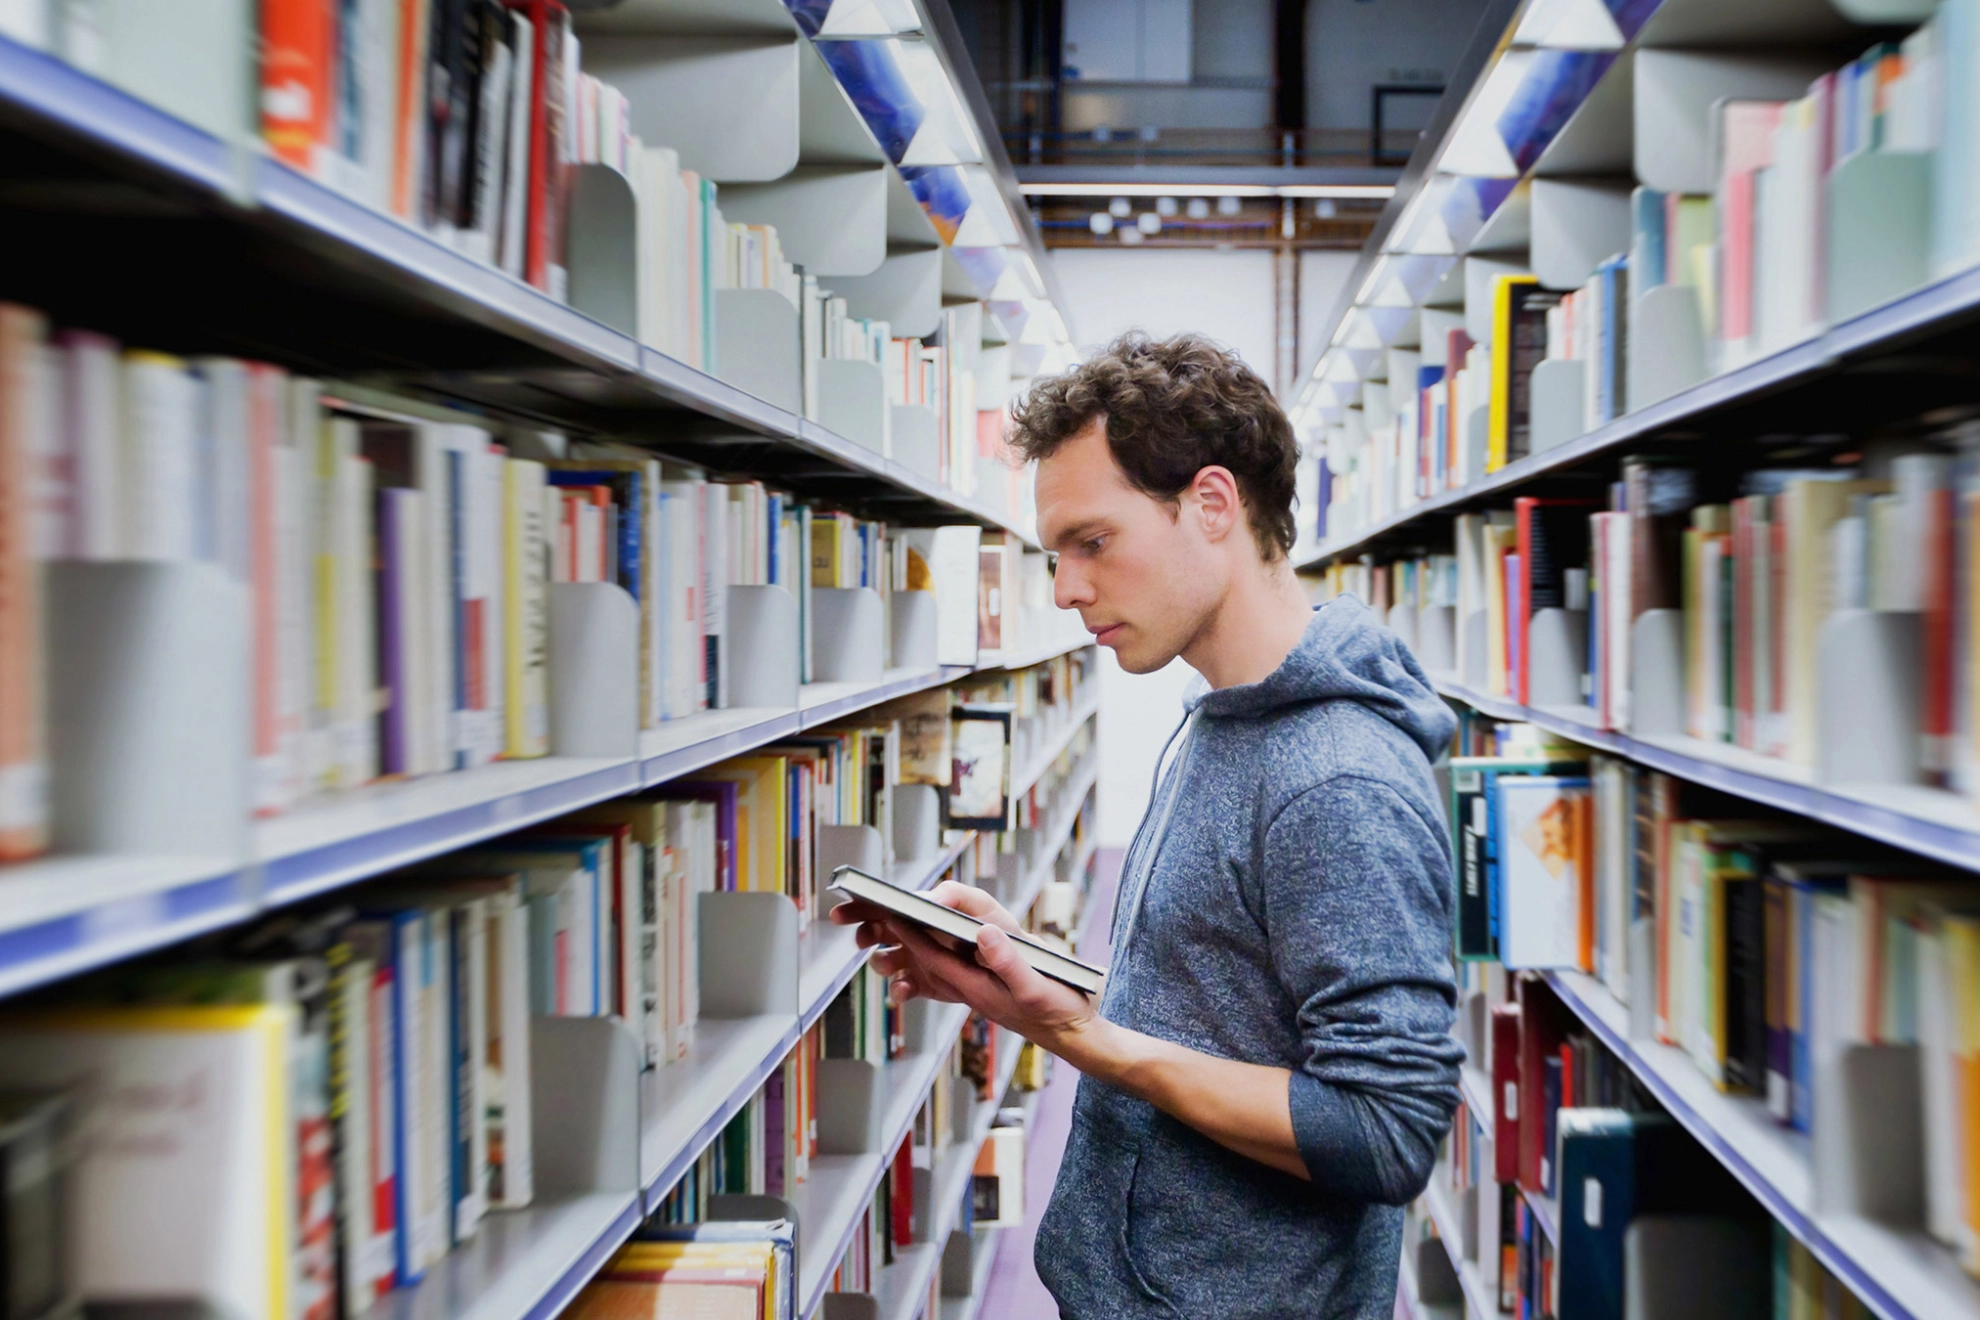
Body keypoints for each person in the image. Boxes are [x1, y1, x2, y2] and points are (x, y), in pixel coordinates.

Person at [831, 332, 1462, 1318]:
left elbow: (1385, 1130)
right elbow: (1220, 996)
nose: (1066, 589)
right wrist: (1029, 982)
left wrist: (1089, 1040)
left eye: (1093, 542)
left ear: (1212, 506)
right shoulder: (1223, 714)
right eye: (1056, 555)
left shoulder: (1337, 782)